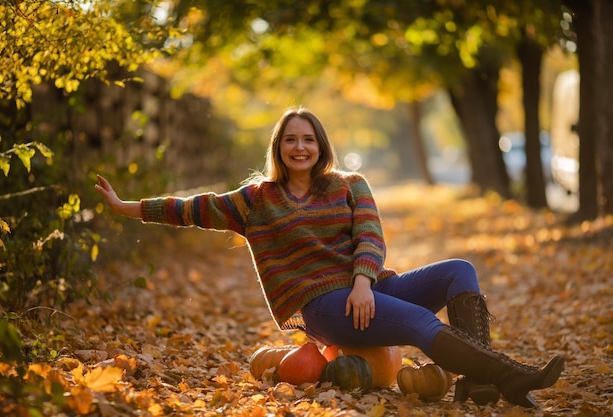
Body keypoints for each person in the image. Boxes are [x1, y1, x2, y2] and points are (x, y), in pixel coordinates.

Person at [95, 107, 564, 408]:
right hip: (325, 309)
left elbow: (371, 235)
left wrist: (363, 280)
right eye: (290, 140)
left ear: (321, 146)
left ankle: (478, 382)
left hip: (369, 289)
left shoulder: (349, 184)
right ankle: (507, 375)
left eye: (308, 139)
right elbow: (190, 208)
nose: (300, 147)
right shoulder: (256, 199)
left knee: (460, 269)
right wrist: (127, 208)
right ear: (278, 148)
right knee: (422, 328)